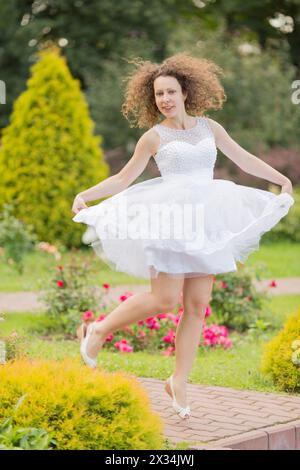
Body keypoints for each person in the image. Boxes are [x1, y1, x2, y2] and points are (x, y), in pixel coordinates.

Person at [71, 53, 294, 420]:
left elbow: (244, 159)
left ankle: (179, 380)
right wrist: (86, 195)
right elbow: (123, 179)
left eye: (171, 91)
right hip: (170, 220)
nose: (165, 99)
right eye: (159, 94)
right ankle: (98, 329)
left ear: (185, 91)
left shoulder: (210, 128)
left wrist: (281, 180)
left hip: (204, 223)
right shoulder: (153, 137)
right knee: (163, 299)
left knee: (196, 305)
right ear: (152, 98)